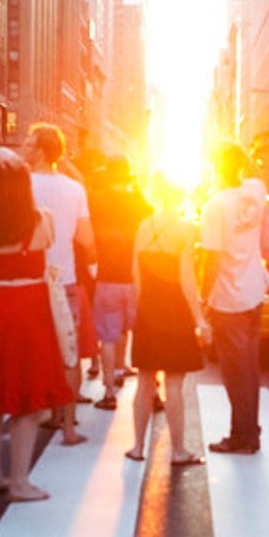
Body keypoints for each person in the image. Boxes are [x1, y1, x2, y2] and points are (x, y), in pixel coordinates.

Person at [0, 151, 77, 501]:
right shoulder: (41, 220)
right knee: (28, 400)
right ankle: (19, 481)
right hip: (30, 309)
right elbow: (51, 246)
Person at [126, 179, 209, 465]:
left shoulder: (143, 226)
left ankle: (137, 447)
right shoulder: (186, 229)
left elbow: (135, 272)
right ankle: (177, 450)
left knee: (144, 381)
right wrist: (199, 317)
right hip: (175, 312)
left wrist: (142, 307)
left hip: (148, 309)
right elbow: (186, 276)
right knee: (174, 383)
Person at [198, 142, 269, 454]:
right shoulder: (255, 191)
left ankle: (242, 435)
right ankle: (249, 431)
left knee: (234, 373)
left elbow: (211, 260)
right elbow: (255, 172)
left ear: (215, 167)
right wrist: (242, 155)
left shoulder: (215, 206)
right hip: (255, 294)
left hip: (230, 299)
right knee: (249, 369)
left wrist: (203, 299)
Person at [27, 123, 93, 446]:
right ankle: (67, 425)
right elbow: (87, 238)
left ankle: (33, 417)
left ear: (40, 151)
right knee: (69, 353)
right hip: (64, 279)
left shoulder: (22, 184)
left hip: (28, 282)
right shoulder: (75, 189)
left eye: (28, 144)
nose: (24, 148)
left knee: (31, 352)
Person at [89, 155, 152, 409]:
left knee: (107, 336)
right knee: (136, 332)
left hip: (106, 277)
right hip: (134, 278)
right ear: (127, 176)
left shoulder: (97, 201)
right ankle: (152, 392)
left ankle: (109, 393)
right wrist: (134, 186)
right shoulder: (137, 201)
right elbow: (150, 215)